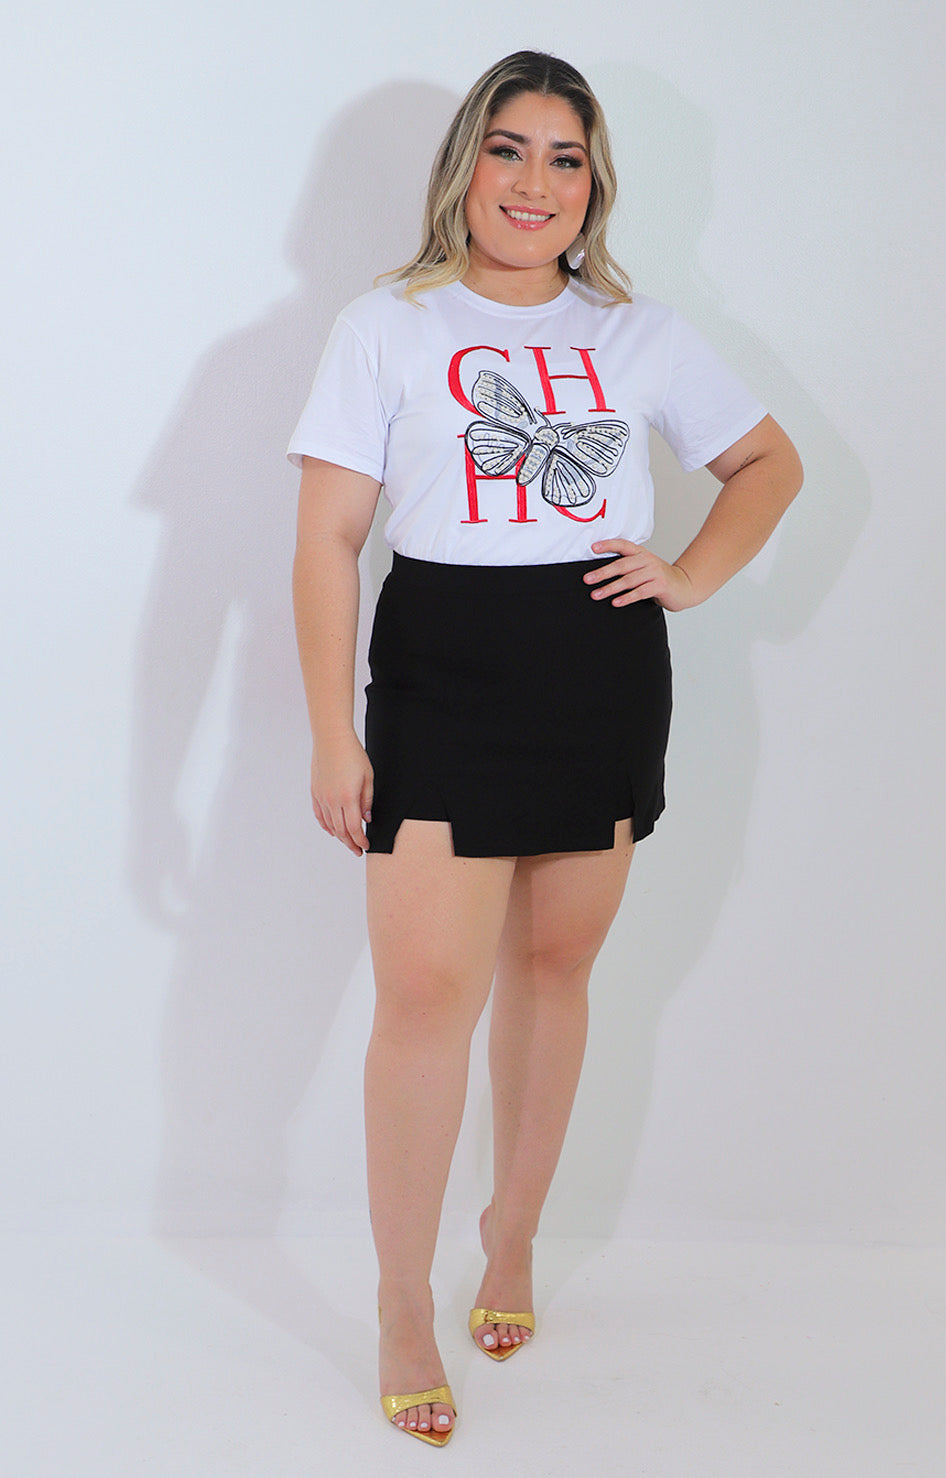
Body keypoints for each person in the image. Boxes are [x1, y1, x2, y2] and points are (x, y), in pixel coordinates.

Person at [288, 50, 802, 1446]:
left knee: (555, 965)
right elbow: (329, 541)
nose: (534, 182)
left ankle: (510, 1234)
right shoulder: (385, 326)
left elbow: (769, 464)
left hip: (596, 668)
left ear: (593, 183)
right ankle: (404, 1301)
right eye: (508, 150)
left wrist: (689, 574)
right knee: (424, 995)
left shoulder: (639, 334)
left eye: (563, 157)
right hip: (443, 669)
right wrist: (334, 730)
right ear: (465, 167)